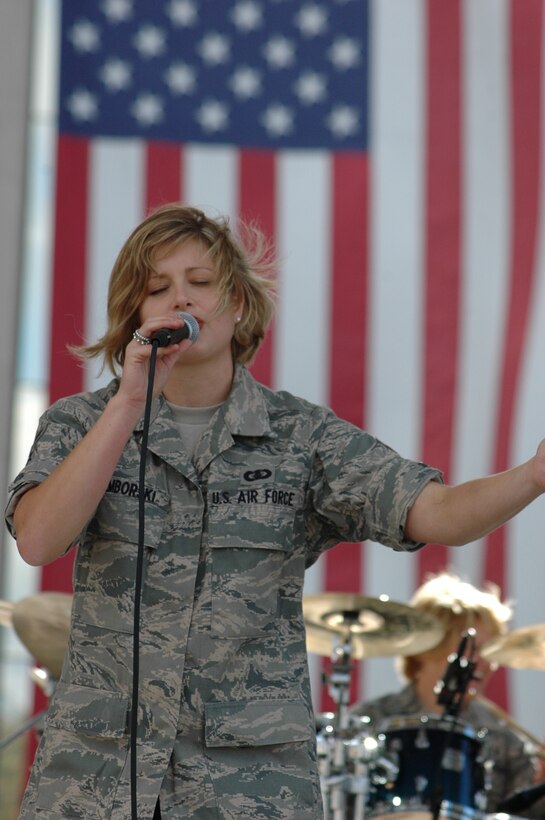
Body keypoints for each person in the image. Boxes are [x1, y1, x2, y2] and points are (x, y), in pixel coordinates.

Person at [6, 203, 545, 819]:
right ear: (137, 316)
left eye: (201, 282)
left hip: (248, 787)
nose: (181, 297)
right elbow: (37, 540)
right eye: (158, 288)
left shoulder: (303, 438)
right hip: (92, 780)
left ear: (237, 304)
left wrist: (532, 475)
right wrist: (130, 401)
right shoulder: (80, 423)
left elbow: (441, 513)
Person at [350, 572, 545, 817]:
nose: (483, 662)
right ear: (425, 647)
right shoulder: (369, 722)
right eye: (472, 648)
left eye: (490, 651)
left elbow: (526, 813)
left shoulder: (505, 739)